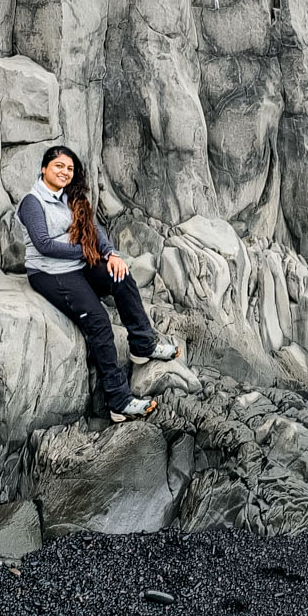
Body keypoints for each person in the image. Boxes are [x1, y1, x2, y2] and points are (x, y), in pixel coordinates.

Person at [17, 145, 179, 422]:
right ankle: (119, 401)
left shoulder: (71, 197)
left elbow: (94, 231)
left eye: (69, 168)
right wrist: (87, 252)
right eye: (59, 166)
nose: (65, 172)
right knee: (98, 320)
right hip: (50, 273)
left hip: (79, 264)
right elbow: (43, 245)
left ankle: (142, 345)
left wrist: (111, 254)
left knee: (121, 275)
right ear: (44, 169)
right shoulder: (32, 202)